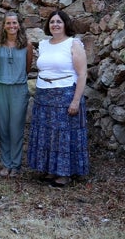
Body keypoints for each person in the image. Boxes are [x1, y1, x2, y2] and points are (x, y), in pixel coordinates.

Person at [27, 10, 89, 187]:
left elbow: (82, 74)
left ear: (65, 24)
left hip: (65, 95)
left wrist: (76, 100)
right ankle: (49, 169)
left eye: (59, 22)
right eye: (52, 22)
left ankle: (63, 174)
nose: (55, 24)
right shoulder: (44, 44)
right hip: (44, 95)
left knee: (62, 136)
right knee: (47, 134)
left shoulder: (73, 43)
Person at [0, 12, 33, 178]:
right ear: (3, 26)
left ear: (19, 25)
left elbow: (27, 68)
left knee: (16, 127)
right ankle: (6, 163)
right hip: (0, 88)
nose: (11, 26)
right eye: (8, 23)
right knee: (3, 127)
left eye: (14, 23)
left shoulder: (27, 45)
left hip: (18, 88)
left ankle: (15, 165)